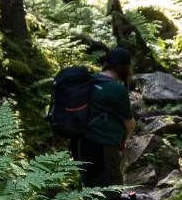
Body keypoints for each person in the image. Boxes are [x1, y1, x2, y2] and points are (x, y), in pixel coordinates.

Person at [49, 46, 135, 189]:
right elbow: (130, 123)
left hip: (80, 144)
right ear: (125, 68)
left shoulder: (88, 80)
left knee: (89, 186)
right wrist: (124, 141)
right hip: (103, 146)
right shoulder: (117, 89)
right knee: (110, 189)